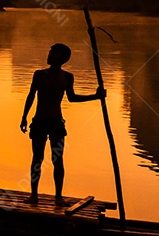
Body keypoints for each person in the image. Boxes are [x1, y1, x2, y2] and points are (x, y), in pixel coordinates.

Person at [20, 43, 105, 205]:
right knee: (37, 158)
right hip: (39, 122)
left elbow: (72, 98)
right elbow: (31, 96)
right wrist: (24, 117)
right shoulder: (39, 75)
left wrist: (96, 96)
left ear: (62, 59)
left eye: (54, 54)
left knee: (57, 159)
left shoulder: (67, 77)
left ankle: (58, 197)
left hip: (57, 123)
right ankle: (34, 195)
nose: (49, 55)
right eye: (50, 52)